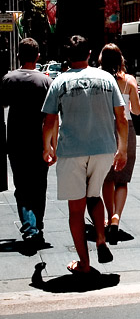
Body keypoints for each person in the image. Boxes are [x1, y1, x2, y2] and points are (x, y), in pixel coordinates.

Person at [41, 35, 128, 275]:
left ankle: (84, 263)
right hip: (103, 149)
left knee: (76, 209)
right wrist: (122, 149)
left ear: (67, 57)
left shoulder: (59, 82)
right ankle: (100, 237)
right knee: (95, 195)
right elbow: (120, 117)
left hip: (72, 151)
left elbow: (49, 120)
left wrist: (47, 146)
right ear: (90, 53)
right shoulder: (106, 78)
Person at [0, 38, 52, 243]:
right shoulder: (46, 81)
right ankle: (36, 224)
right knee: (40, 185)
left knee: (22, 186)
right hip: (39, 140)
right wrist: (52, 145)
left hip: (16, 141)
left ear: (19, 56)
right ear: (38, 56)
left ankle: (31, 227)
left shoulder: (9, 79)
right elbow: (52, 117)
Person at [99, 43, 140, 241]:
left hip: (105, 129)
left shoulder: (98, 78)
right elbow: (137, 110)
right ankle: (117, 217)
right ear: (120, 59)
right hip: (127, 129)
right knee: (122, 178)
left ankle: (108, 217)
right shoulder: (129, 81)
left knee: (107, 177)